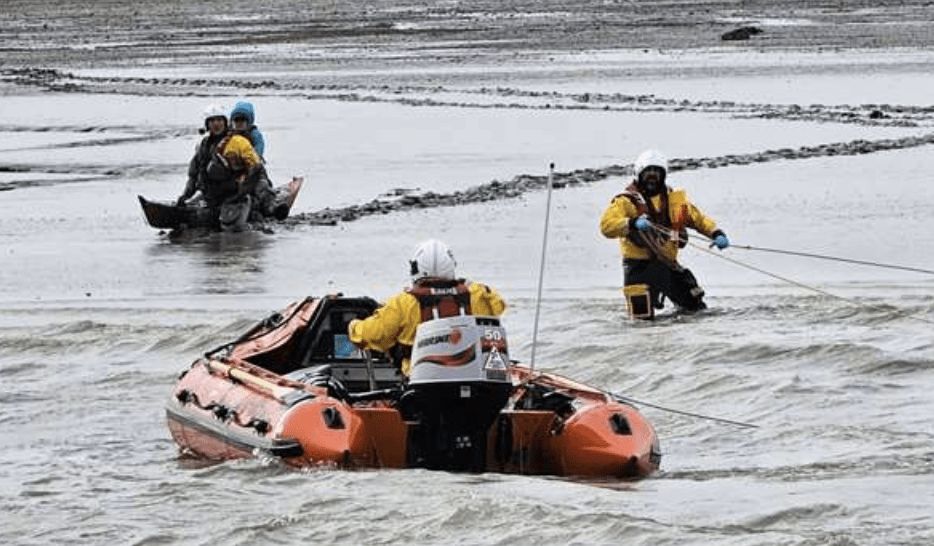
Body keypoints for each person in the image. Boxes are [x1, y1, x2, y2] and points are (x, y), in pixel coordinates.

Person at [600, 149, 730, 317]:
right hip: (638, 270)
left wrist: (716, 233)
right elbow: (606, 226)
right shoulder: (625, 201)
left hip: (668, 266)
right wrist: (632, 223)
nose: (652, 177)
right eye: (648, 172)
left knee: (696, 309)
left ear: (664, 175)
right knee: (641, 319)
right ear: (639, 173)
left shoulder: (673, 199)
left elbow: (697, 219)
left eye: (657, 173)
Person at [348, 239, 507, 376]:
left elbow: (372, 336)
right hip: (475, 382)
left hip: (424, 388)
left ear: (416, 269)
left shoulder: (403, 303)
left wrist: (353, 326)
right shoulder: (478, 294)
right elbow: (499, 306)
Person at [229, 101, 283, 218]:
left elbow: (258, 153)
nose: (239, 123)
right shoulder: (229, 136)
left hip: (253, 171)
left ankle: (272, 208)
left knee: (262, 186)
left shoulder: (255, 134)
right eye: (236, 120)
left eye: (242, 120)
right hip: (233, 172)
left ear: (248, 121)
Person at [176, 104, 229, 206]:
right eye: (212, 121)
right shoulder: (204, 143)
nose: (216, 124)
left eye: (219, 120)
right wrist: (186, 194)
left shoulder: (233, 142)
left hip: (227, 190)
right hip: (206, 191)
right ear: (207, 124)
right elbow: (193, 173)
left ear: (225, 122)